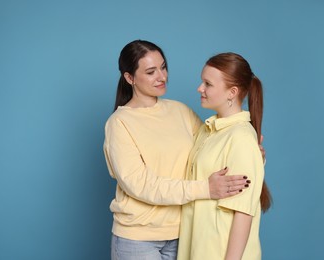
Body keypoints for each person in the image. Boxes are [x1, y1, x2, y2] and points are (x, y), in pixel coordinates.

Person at [103, 40, 252, 260]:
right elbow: (141, 185)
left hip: (184, 234)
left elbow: (211, 151)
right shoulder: (119, 123)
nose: (162, 77)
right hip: (138, 239)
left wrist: (249, 152)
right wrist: (205, 189)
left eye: (163, 67)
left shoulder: (179, 110)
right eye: (151, 72)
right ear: (129, 78)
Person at [177, 52, 272, 260]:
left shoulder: (242, 138)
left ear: (232, 92)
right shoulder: (208, 130)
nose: (199, 88)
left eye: (207, 84)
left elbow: (243, 213)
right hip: (197, 249)